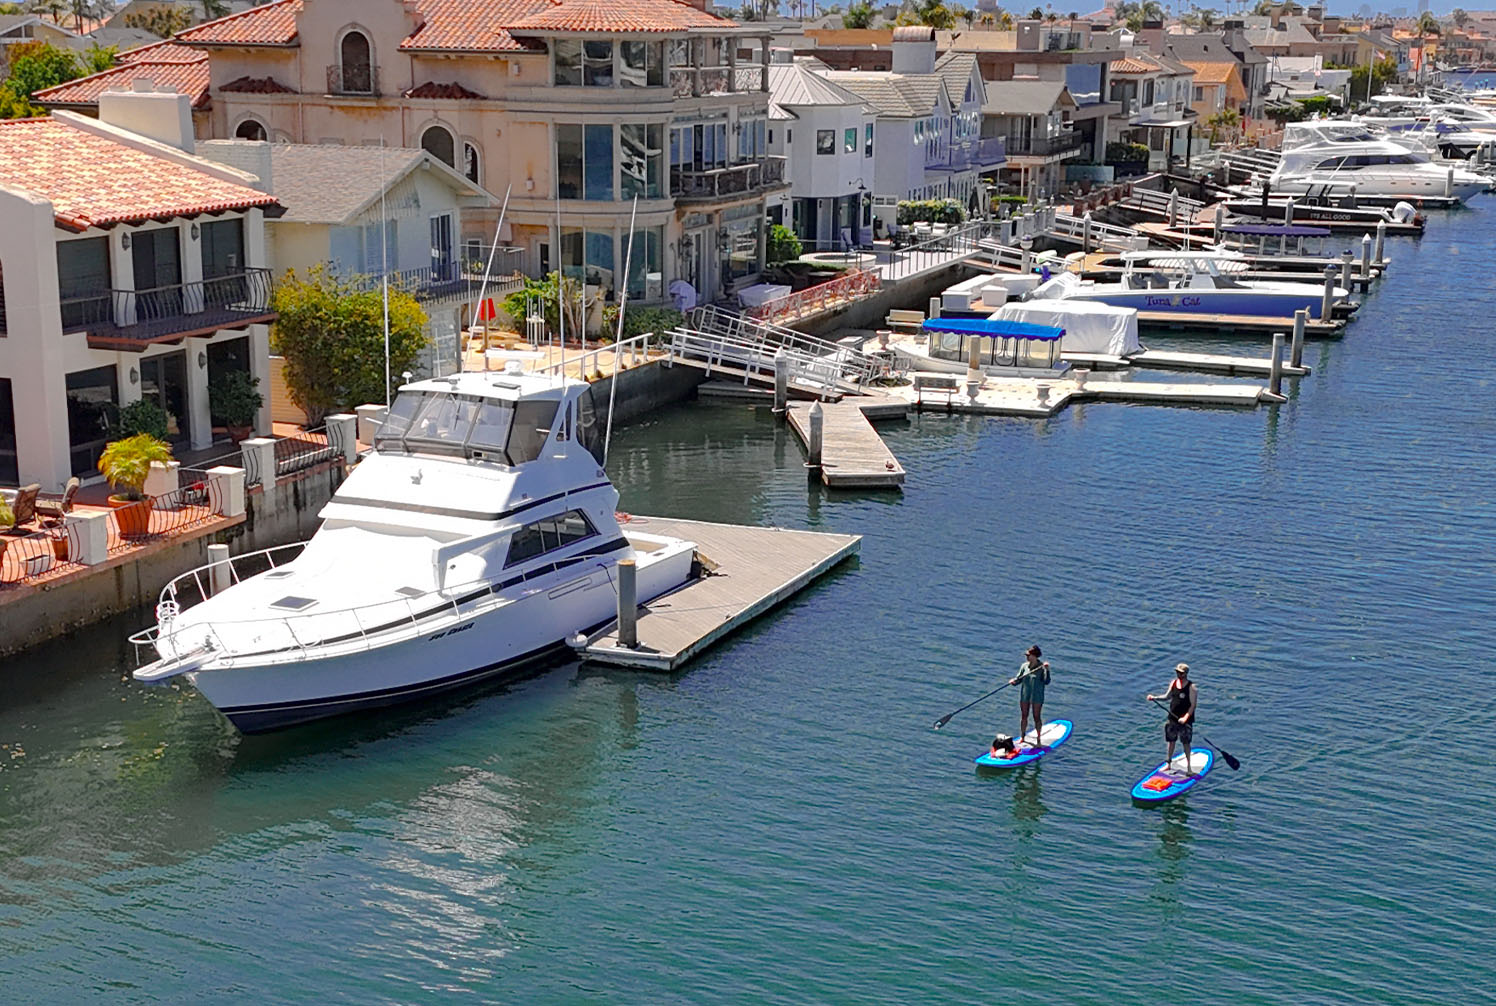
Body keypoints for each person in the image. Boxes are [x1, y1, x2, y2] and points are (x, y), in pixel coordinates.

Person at [1147, 662, 1199, 774]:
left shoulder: (1192, 687)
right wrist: (1154, 697)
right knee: (1171, 741)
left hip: (1185, 721)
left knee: (1186, 743)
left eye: (1180, 673)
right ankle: (1168, 764)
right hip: (1172, 718)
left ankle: (1189, 768)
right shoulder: (1173, 683)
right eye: (1177, 672)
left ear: (1185, 674)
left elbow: (1193, 705)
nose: (1178, 674)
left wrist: (1185, 717)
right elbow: (1167, 697)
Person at [1008, 645, 1051, 749]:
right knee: (1024, 716)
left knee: (1036, 717)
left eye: (1029, 655)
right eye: (1026, 655)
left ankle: (1038, 739)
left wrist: (1047, 670)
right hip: (1025, 695)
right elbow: (1018, 679)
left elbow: (1046, 681)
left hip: (1037, 696)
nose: (1027, 657)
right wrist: (1013, 681)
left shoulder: (1041, 668)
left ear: (1035, 656)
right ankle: (1022, 736)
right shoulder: (1024, 666)